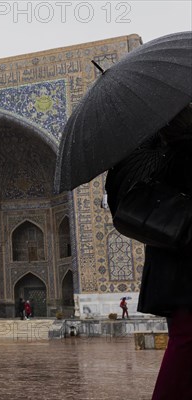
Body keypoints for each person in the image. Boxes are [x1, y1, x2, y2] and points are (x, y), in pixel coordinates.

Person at [106, 103, 192, 399]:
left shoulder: (150, 160)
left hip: (171, 273)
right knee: (185, 345)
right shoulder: (173, 159)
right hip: (182, 273)